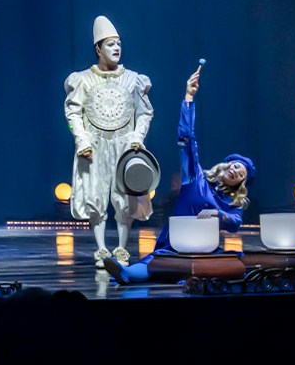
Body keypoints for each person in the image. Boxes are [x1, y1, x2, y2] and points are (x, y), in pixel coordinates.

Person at [105, 67, 256, 284]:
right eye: (234, 166)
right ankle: (127, 274)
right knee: (155, 263)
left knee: (231, 265)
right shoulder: (196, 179)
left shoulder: (233, 202)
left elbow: (235, 222)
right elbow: (186, 139)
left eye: (240, 173)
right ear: (225, 165)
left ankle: (189, 277)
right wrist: (189, 98)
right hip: (175, 244)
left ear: (241, 182)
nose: (235, 171)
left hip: (205, 249)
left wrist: (217, 215)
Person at [64, 15, 153, 268]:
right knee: (95, 195)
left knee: (125, 198)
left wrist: (137, 137)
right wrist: (81, 140)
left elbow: (144, 113)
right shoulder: (82, 79)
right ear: (98, 49)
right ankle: (102, 249)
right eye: (110, 44)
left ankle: (122, 249)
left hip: (125, 145)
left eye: (119, 44)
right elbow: (73, 113)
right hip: (94, 145)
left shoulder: (133, 80)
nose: (116, 49)